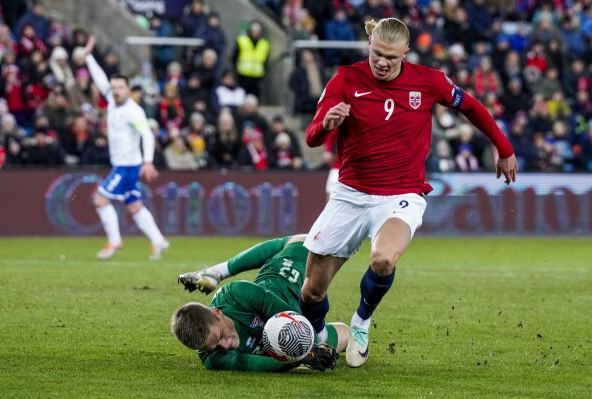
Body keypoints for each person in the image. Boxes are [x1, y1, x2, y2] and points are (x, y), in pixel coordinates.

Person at [299, 18, 518, 368]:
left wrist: (503, 147)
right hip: (350, 193)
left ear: (405, 52)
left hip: (401, 194)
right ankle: (321, 339)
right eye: (376, 54)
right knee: (311, 290)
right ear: (369, 45)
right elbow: (311, 136)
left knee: (384, 259)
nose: (382, 62)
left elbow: (472, 106)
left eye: (390, 57)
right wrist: (326, 124)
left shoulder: (428, 80)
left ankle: (361, 322)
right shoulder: (345, 78)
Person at [173, 234, 347, 372]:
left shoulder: (234, 295)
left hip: (288, 276)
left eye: (220, 336)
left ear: (217, 312)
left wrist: (309, 348)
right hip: (288, 324)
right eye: (214, 347)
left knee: (302, 243)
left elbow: (289, 314)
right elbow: (248, 363)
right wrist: (299, 359)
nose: (225, 346)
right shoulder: (211, 357)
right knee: (345, 336)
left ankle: (217, 271)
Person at [83, 36, 169, 260]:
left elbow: (146, 135)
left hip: (127, 166)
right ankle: (158, 240)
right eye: (114, 88)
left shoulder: (134, 111)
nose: (116, 91)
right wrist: (88, 57)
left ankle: (114, 241)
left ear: (128, 89)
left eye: (120, 87)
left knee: (100, 200)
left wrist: (148, 160)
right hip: (125, 165)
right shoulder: (112, 99)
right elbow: (100, 79)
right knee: (134, 206)